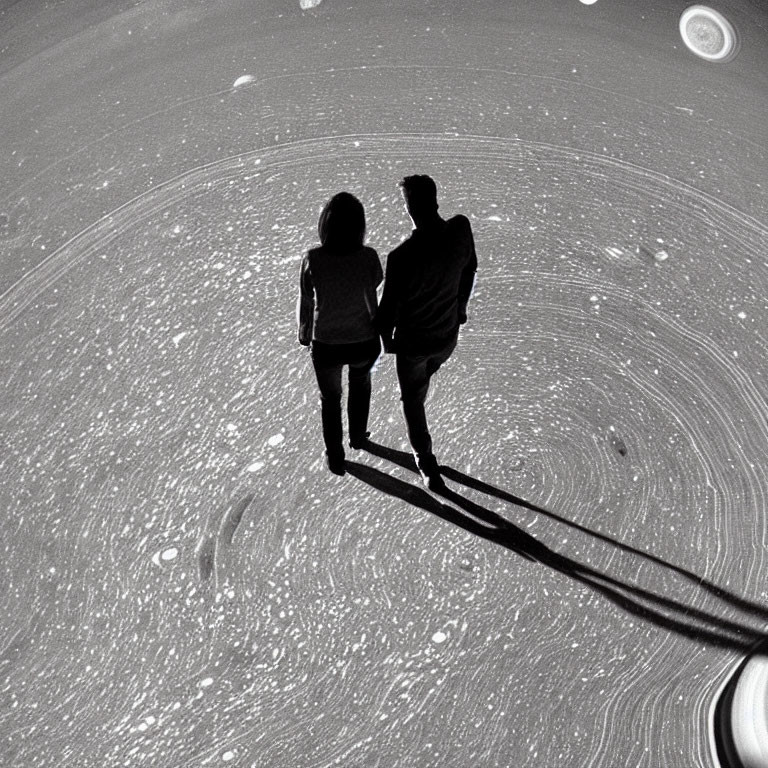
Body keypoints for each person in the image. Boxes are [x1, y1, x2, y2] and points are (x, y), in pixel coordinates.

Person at [376, 175, 477, 491]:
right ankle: (426, 461)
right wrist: (460, 305)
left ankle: (426, 464)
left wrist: (386, 343)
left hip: (413, 346)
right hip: (446, 338)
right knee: (426, 376)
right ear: (434, 200)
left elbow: (385, 315)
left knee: (412, 402)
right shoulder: (460, 230)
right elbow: (470, 267)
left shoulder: (401, 257)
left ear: (409, 208)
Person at [297, 192, 383, 475]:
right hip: (363, 340)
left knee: (330, 399)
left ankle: (335, 455)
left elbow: (307, 299)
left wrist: (304, 332)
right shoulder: (368, 257)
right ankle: (358, 436)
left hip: (327, 343)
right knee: (361, 385)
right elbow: (375, 287)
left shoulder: (313, 258)